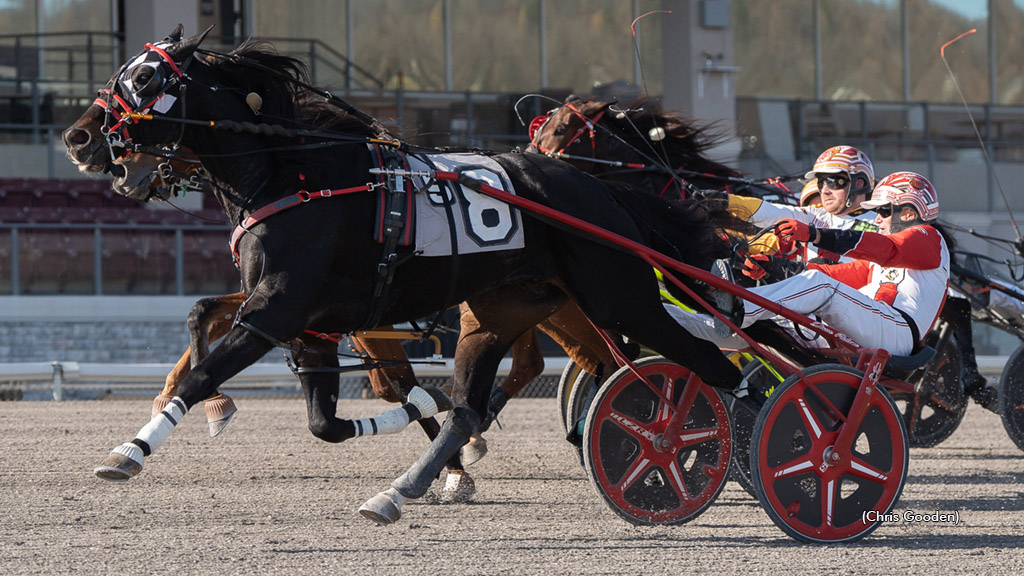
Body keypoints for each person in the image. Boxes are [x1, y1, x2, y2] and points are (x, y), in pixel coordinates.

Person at [670, 171, 949, 364]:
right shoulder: (885, 257)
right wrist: (775, 268)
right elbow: (836, 274)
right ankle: (676, 319)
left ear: (910, 213)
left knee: (820, 286)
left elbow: (887, 250)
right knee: (777, 326)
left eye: (883, 211)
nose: (876, 219)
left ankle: (741, 309)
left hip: (897, 334)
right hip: (875, 325)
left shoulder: (930, 239)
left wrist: (815, 235)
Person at [724, 145, 878, 263]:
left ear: (859, 184)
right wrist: (724, 201)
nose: (824, 191)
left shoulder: (883, 224)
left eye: (834, 182)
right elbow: (770, 212)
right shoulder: (814, 216)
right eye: (821, 182)